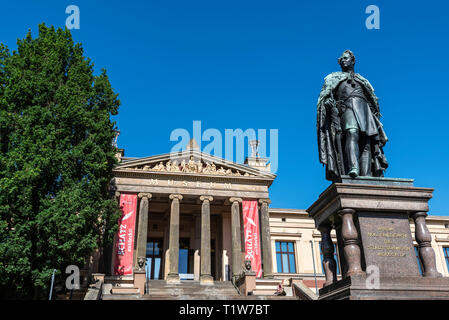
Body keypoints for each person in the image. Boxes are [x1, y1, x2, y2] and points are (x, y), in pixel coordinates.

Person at [317, 50, 388, 181]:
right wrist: (327, 103)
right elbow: (324, 97)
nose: (343, 61)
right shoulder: (333, 78)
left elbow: (372, 99)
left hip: (364, 109)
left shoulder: (363, 80)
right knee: (352, 132)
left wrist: (374, 111)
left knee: (366, 141)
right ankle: (353, 167)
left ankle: (366, 174)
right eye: (341, 59)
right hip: (347, 107)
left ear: (353, 61)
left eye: (346, 58)